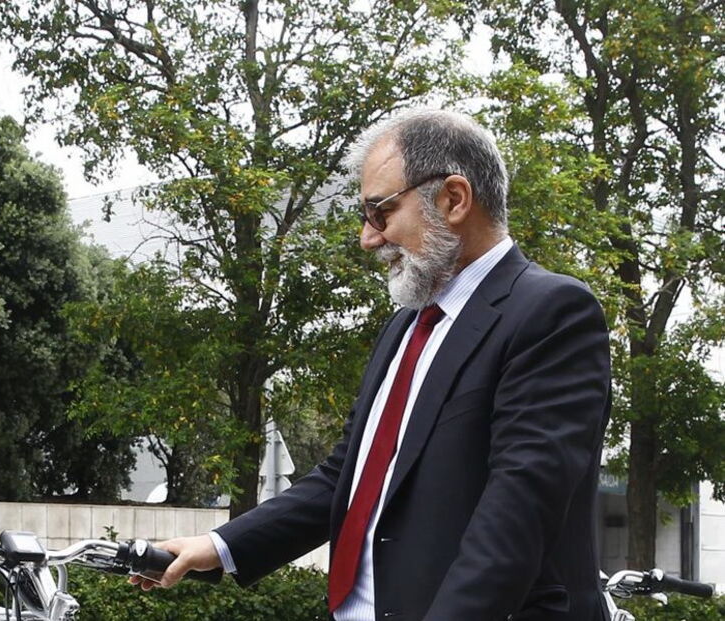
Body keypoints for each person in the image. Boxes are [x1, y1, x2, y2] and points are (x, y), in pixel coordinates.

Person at [129, 109, 612, 621]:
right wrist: (221, 544)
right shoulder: (405, 328)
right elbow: (351, 475)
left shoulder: (552, 312)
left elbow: (516, 516)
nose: (368, 237)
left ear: (453, 199)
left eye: (380, 212)